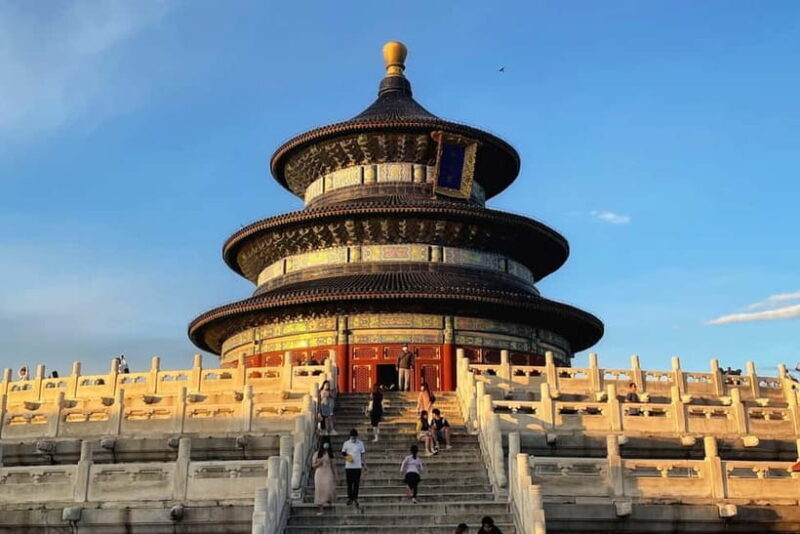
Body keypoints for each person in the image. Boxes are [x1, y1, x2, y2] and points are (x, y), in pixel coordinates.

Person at [341, 429, 366, 507]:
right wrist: (349, 458)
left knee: (356, 483)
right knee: (349, 483)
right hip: (349, 466)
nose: (354, 439)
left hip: (357, 466)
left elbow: (362, 454)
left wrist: (364, 464)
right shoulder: (346, 443)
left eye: (355, 437)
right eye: (352, 437)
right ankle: (350, 497)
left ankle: (355, 497)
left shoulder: (360, 443)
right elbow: (343, 452)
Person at [311, 439, 336, 515]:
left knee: (328, 489)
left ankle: (330, 508)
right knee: (320, 491)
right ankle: (320, 509)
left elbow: (333, 465)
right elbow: (313, 465)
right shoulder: (317, 454)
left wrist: (336, 476)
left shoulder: (330, 454)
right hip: (319, 473)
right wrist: (319, 462)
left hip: (328, 472)